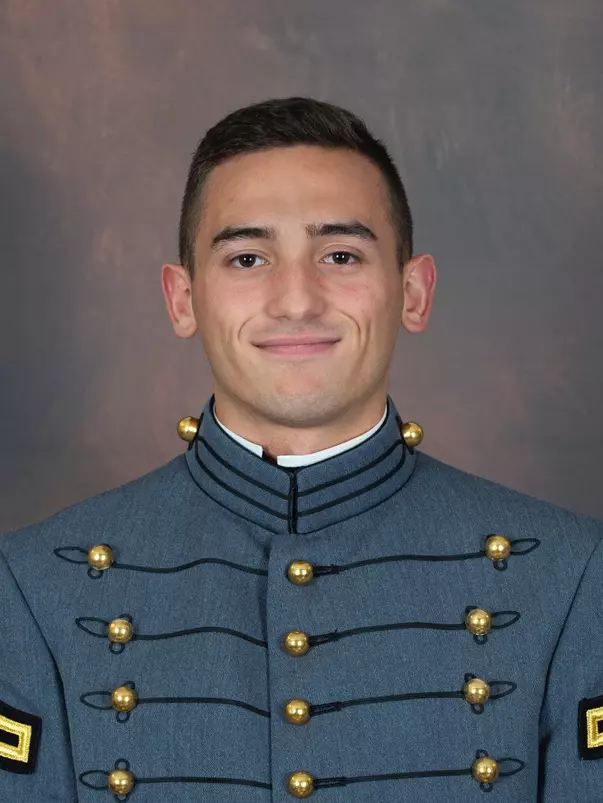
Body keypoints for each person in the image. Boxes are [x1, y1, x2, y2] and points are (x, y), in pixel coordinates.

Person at [1, 97, 601, 803]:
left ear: (412, 291)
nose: (295, 299)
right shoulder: (33, 587)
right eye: (247, 256)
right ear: (182, 298)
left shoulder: (570, 578)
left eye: (340, 254)